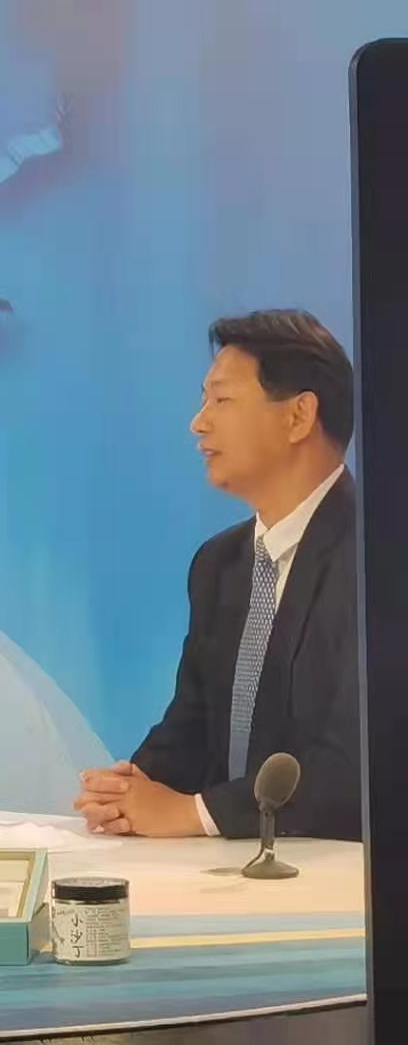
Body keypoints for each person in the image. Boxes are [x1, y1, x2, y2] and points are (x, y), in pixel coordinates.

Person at [74, 310, 359, 840]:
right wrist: (132, 790)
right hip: (230, 866)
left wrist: (193, 814)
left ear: (299, 416)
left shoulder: (377, 559)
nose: (198, 423)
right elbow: (193, 725)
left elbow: (358, 763)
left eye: (221, 400)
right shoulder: (219, 563)